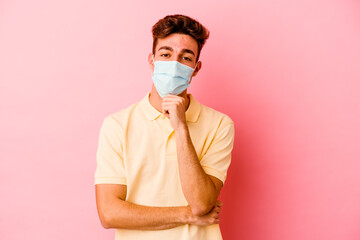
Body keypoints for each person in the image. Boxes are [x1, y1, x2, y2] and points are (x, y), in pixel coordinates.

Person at [94, 14, 235, 240]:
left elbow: (201, 204)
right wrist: (187, 216)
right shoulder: (117, 125)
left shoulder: (219, 125)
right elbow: (109, 214)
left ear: (196, 69)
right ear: (152, 61)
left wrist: (181, 129)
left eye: (185, 58)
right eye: (166, 54)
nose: (174, 64)